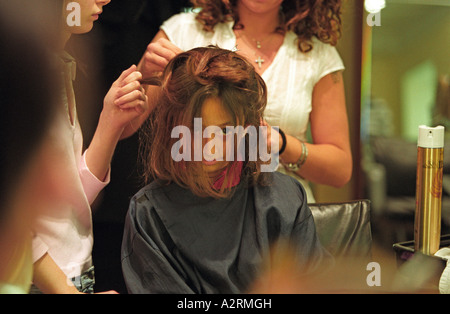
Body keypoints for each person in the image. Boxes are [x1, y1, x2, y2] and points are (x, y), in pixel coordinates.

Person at [121, 46, 331, 294]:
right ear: (173, 127)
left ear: (246, 126)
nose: (210, 146)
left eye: (224, 131)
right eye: (197, 130)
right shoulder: (149, 214)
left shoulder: (285, 200)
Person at [135, 0, 353, 203]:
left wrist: (281, 144)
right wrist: (144, 74)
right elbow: (124, 126)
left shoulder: (318, 55)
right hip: (193, 209)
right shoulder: (183, 31)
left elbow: (340, 170)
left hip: (282, 216)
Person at [30, 0, 148, 294]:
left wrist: (111, 121)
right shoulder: (18, 71)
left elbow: (70, 199)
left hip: (76, 273)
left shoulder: (59, 65)